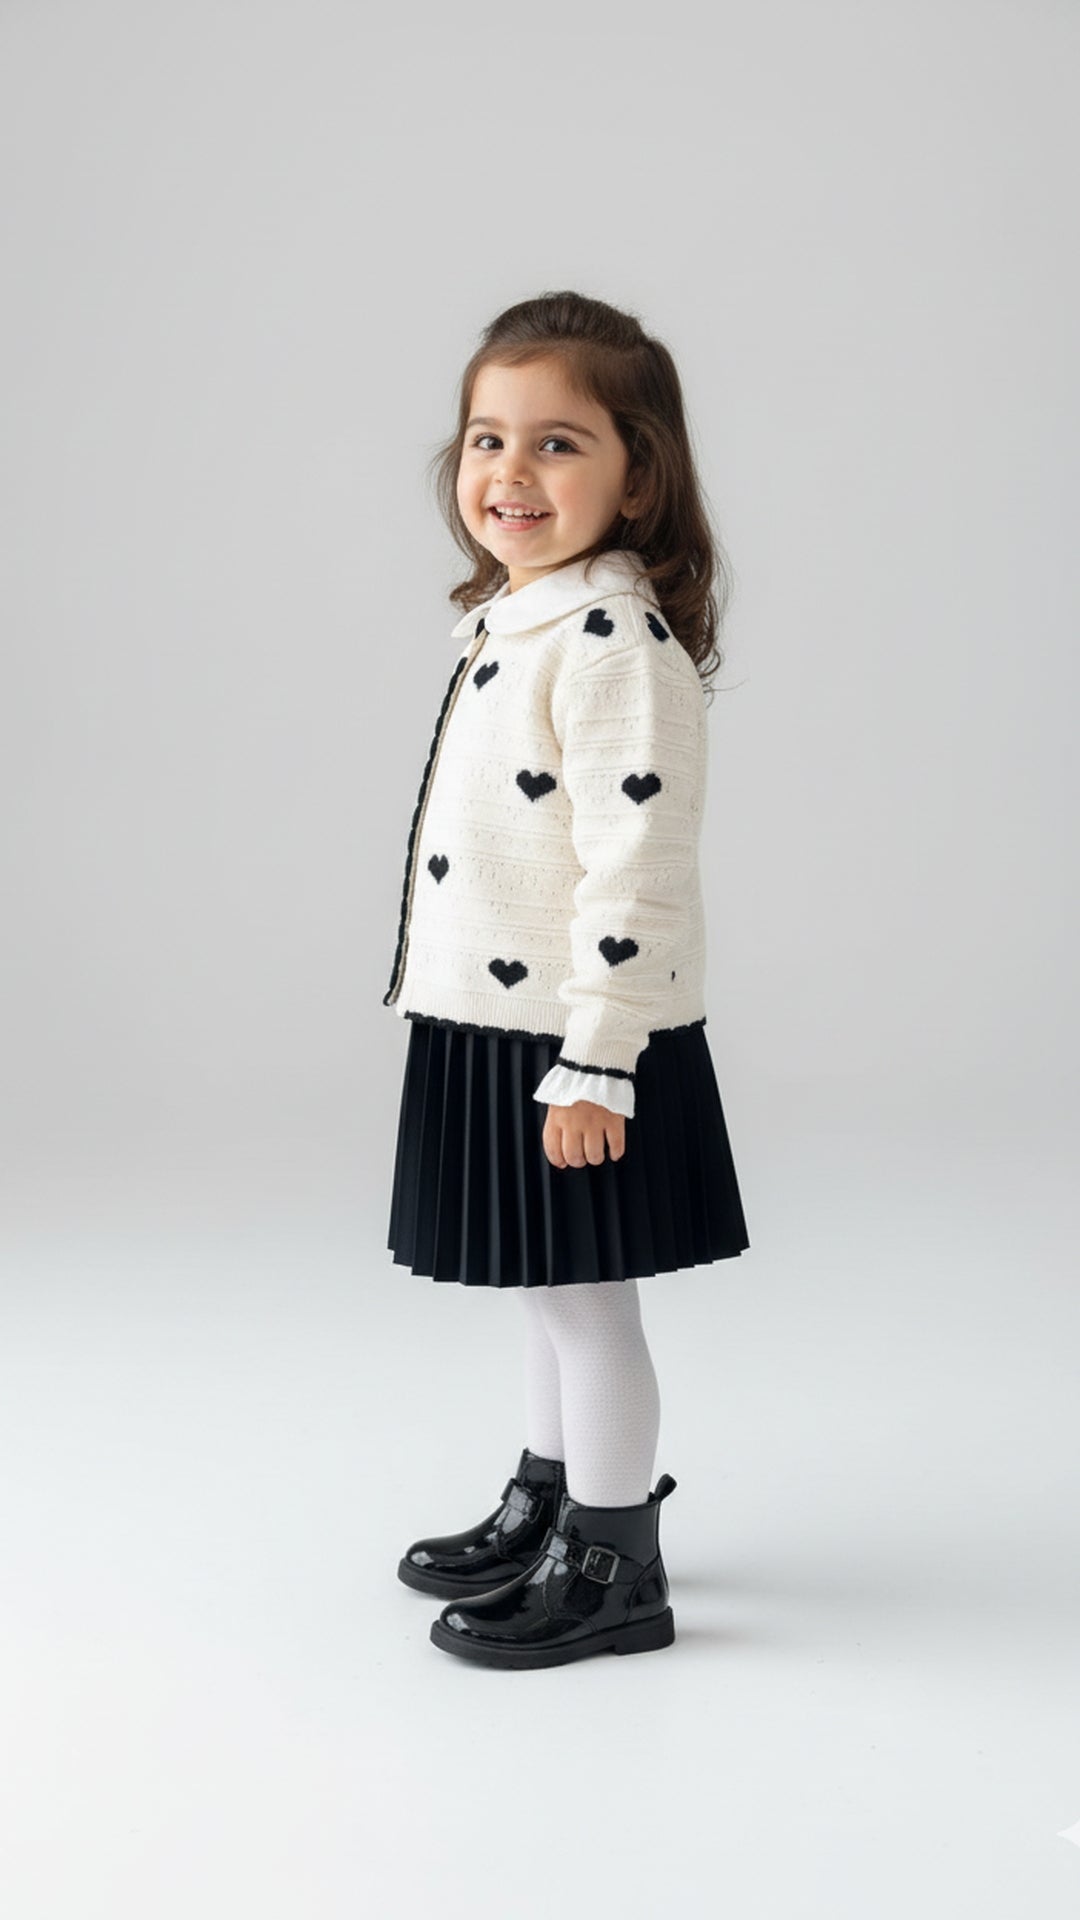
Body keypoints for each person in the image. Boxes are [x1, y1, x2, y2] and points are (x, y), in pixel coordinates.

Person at [383, 289, 750, 1670]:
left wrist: (599, 1058)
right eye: (489, 439)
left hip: (575, 1033)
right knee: (544, 1286)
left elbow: (637, 865)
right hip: (496, 1014)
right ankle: (551, 1501)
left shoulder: (612, 643)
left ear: (637, 476)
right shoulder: (525, 619)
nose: (511, 472)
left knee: (586, 1299)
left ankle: (612, 1562)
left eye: (558, 443)